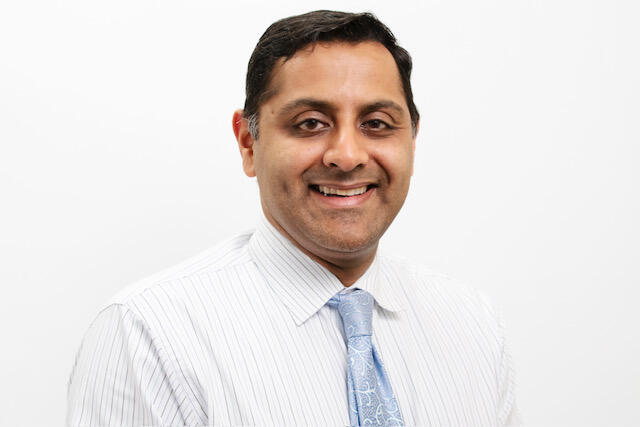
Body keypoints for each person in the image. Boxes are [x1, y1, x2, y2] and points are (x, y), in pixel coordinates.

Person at [67, 10, 520, 426]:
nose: (347, 155)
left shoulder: (472, 324)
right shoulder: (149, 335)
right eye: (310, 123)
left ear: (412, 142)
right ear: (248, 144)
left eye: (377, 123)